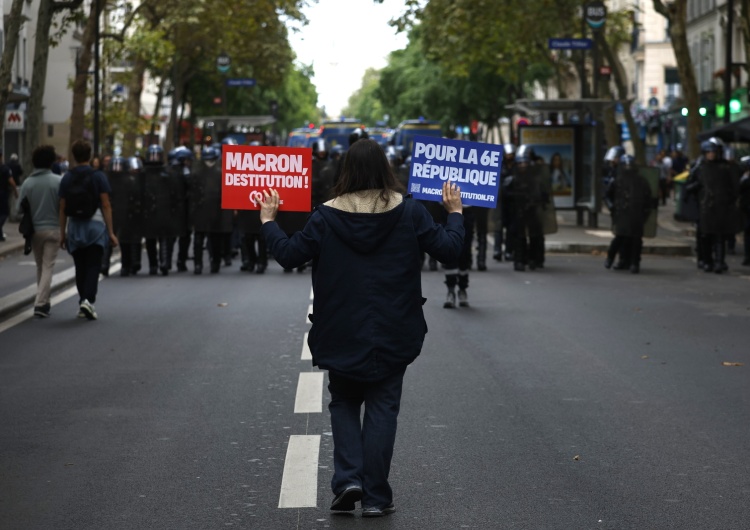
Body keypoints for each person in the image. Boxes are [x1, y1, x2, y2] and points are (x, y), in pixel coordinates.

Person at [258, 139, 464, 518]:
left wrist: (269, 221)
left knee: (344, 401)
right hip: (394, 328)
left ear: (345, 172)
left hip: (340, 329)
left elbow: (289, 255)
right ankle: (376, 497)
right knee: (383, 407)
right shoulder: (411, 212)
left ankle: (348, 480)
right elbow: (450, 250)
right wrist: (454, 212)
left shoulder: (325, 216)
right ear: (386, 169)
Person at [59, 139, 119, 320]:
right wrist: (110, 232)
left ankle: (82, 302)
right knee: (94, 264)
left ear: (74, 156)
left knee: (80, 266)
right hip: (95, 226)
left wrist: (63, 233)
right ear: (90, 155)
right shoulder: (98, 176)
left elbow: (62, 208)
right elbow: (106, 205)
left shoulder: (67, 177)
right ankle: (88, 300)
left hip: (75, 227)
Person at [15, 145, 62, 317]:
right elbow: (64, 207)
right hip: (54, 229)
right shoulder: (58, 181)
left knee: (40, 266)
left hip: (35, 231)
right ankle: (40, 304)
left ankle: (44, 300)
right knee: (48, 265)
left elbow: (18, 209)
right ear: (51, 161)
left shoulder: (28, 182)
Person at [603, 154, 654, 274]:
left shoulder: (641, 181)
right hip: (622, 214)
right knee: (619, 238)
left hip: (636, 214)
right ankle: (612, 258)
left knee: (636, 240)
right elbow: (607, 195)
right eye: (625, 166)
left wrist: (645, 213)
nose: (628, 168)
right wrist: (612, 207)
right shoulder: (617, 180)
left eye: (630, 165)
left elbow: (648, 199)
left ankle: (634, 263)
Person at [0, 150, 19, 240]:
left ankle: (0, 236)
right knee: (4, 213)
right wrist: (15, 190)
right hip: (2, 193)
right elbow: (11, 181)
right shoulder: (4, 168)